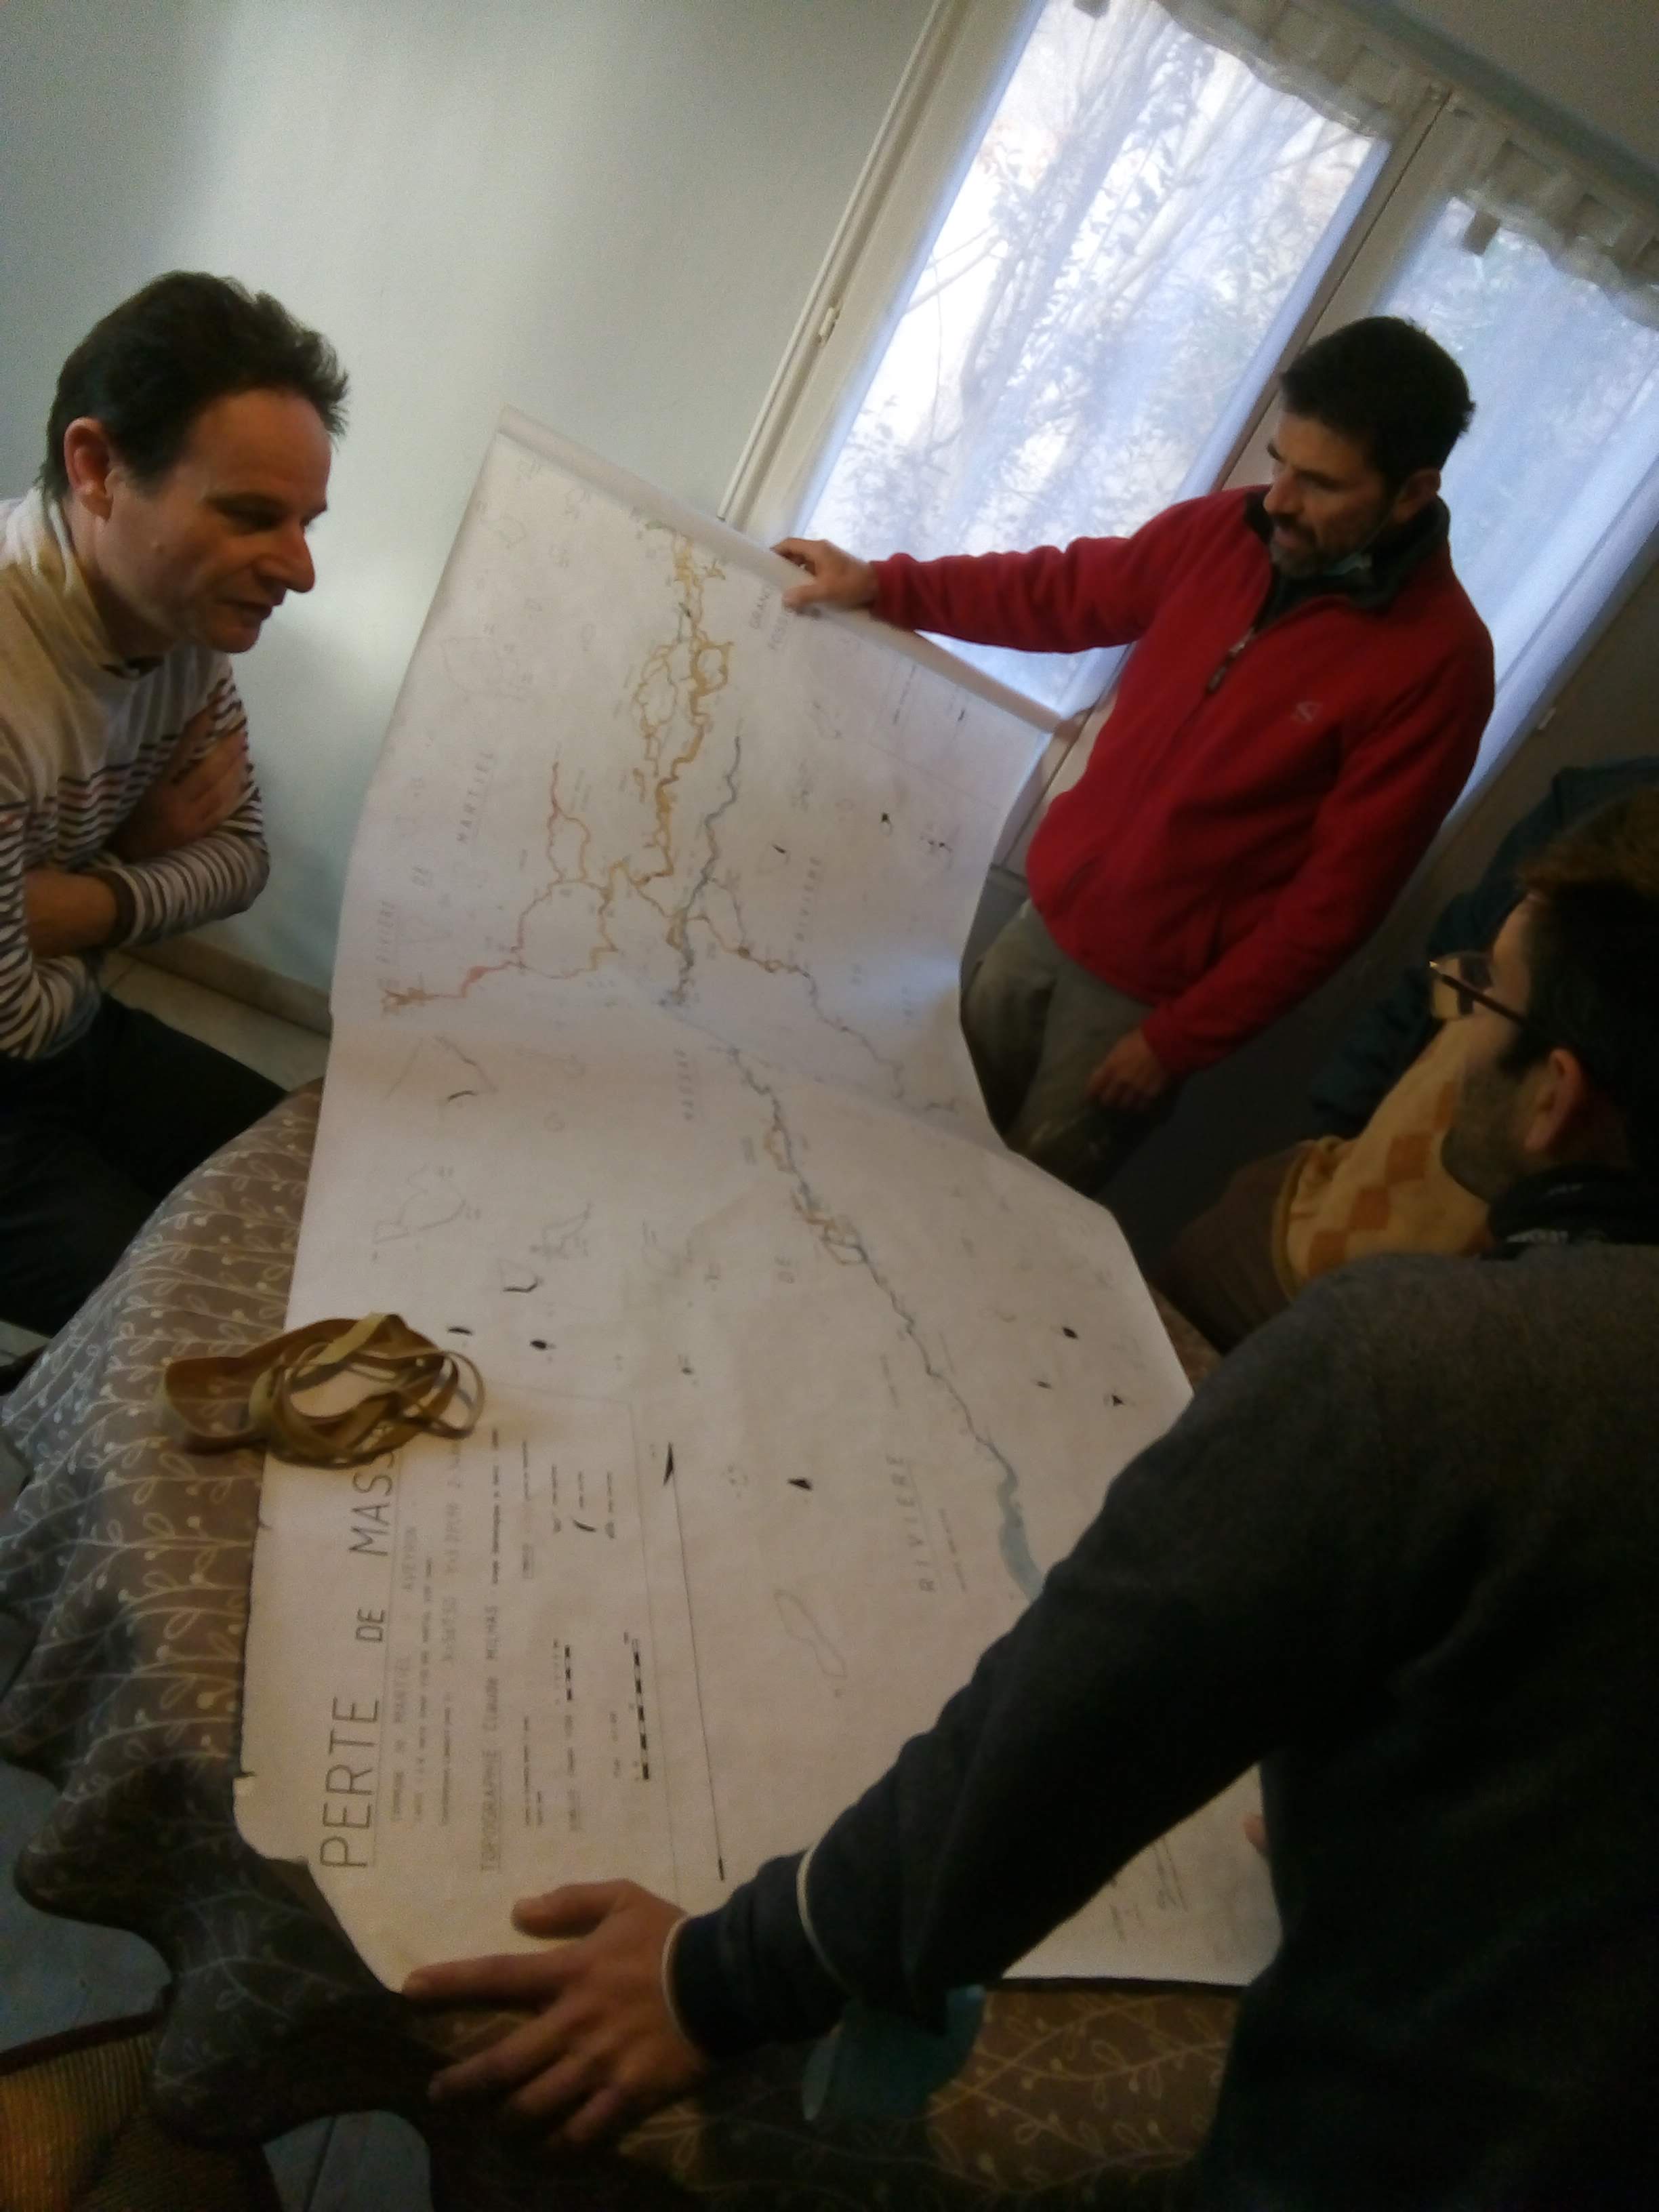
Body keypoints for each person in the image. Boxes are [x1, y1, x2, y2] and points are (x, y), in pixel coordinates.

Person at [405, 792, 1659, 2208]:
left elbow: (1072, 1727)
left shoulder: (1417, 1369)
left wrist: (724, 1974)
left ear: (1556, 1096)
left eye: (1477, 995)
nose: (1452, 1026)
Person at [775, 317, 1494, 1196]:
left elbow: (1335, 907)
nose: (1277, 500)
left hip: (1142, 1012)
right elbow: (1061, 592)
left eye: (1318, 483)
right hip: (1043, 928)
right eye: (1280, 463)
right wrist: (889, 585)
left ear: (1413, 493)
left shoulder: (1438, 664)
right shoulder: (1223, 533)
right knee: (908, 1148)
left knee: (1010, 1219)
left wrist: (1177, 1042)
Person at [0, 272, 347, 1337]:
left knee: (320, 1188)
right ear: (96, 469)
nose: (299, 569)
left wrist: (72, 902)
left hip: (68, 1028)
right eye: (251, 515)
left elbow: (243, 858)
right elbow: (13, 1020)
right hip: (24, 1047)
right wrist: (139, 864)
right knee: (204, 1319)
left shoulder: (183, 630)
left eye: (305, 522)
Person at [1155, 755, 1659, 1351]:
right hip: (1303, 1221)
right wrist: (1338, 1123)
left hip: (1425, 1324)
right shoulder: (1597, 804)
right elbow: (1442, 977)